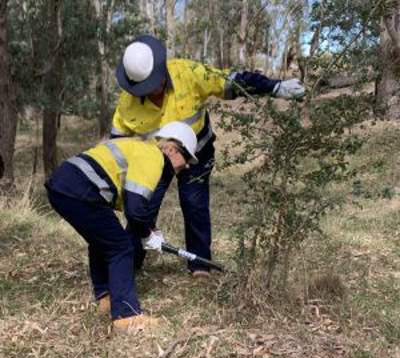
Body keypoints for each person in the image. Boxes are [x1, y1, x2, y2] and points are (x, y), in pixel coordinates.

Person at [112, 34, 305, 277]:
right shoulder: (126, 104)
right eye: (145, 87)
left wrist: (275, 87)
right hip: (157, 158)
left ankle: (200, 266)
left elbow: (230, 81)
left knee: (194, 204)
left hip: (197, 152)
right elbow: (117, 146)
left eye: (156, 82)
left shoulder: (187, 73)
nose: (153, 90)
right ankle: (129, 264)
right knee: (142, 208)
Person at [45, 122, 198, 331]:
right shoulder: (153, 157)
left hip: (63, 185)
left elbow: (134, 206)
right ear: (171, 149)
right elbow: (135, 209)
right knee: (121, 247)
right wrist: (147, 234)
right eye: (187, 158)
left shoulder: (140, 148)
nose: (187, 165)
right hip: (80, 189)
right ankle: (127, 316)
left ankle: (106, 298)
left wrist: (148, 229)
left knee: (103, 239)